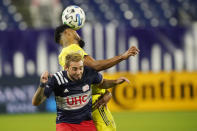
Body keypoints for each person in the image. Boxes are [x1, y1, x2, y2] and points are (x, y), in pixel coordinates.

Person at [54, 24, 139, 131]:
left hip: (83, 105)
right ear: (67, 32)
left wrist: (107, 91)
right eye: (75, 30)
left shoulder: (63, 55)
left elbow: (91, 78)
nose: (77, 33)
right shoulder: (72, 49)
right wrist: (122, 57)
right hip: (94, 103)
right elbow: (96, 66)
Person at [32, 53, 129, 131]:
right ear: (66, 67)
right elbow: (36, 102)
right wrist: (42, 85)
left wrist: (116, 82)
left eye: (80, 68)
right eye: (74, 69)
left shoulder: (89, 73)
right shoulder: (56, 79)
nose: (78, 72)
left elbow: (102, 83)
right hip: (65, 124)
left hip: (86, 123)